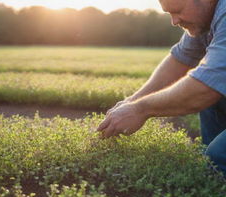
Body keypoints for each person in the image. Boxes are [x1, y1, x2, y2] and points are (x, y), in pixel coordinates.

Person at [97, 0, 226, 175]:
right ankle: (213, 177)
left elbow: (206, 87)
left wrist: (140, 110)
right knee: (212, 162)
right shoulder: (205, 19)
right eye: (169, 13)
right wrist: (131, 102)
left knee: (219, 156)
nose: (174, 21)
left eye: (177, 11)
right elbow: (181, 58)